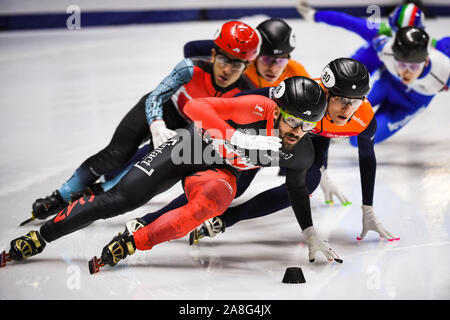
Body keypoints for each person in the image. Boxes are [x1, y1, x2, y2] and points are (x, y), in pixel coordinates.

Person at [2, 76, 342, 270]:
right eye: (294, 121)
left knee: (213, 204)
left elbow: (297, 189)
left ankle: (133, 242)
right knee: (120, 200)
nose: (298, 131)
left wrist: (309, 230)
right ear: (278, 109)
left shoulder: (302, 149)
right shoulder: (258, 105)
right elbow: (196, 108)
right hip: (190, 147)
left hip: (221, 169)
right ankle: (42, 237)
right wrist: (235, 135)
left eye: (309, 125)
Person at [123, 58, 397, 247]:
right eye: (337, 99)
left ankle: (225, 220)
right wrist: (217, 123)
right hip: (272, 135)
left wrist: (368, 207)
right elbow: (247, 99)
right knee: (236, 185)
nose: (346, 109)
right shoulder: (305, 95)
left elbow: (367, 156)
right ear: (324, 90)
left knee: (309, 182)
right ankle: (147, 221)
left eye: (354, 101)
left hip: (310, 142)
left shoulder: (363, 118)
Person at [25, 20, 260, 224]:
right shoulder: (190, 68)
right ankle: (61, 196)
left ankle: (97, 194)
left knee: (137, 174)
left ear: (247, 67)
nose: (227, 69)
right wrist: (157, 124)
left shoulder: (247, 95)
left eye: (236, 64)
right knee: (116, 154)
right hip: (162, 110)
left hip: (188, 130)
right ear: (212, 54)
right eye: (222, 59)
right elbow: (157, 96)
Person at [296, 1, 450, 75]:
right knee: (350, 74)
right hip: (374, 59)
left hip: (391, 74)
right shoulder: (378, 33)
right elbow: (347, 21)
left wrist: (315, 16)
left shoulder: (379, 33)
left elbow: (347, 21)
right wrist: (315, 15)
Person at [184, 18, 310, 86]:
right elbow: (192, 48)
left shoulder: (296, 71)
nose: (273, 69)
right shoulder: (242, 58)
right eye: (266, 59)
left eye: (281, 61)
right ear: (255, 55)